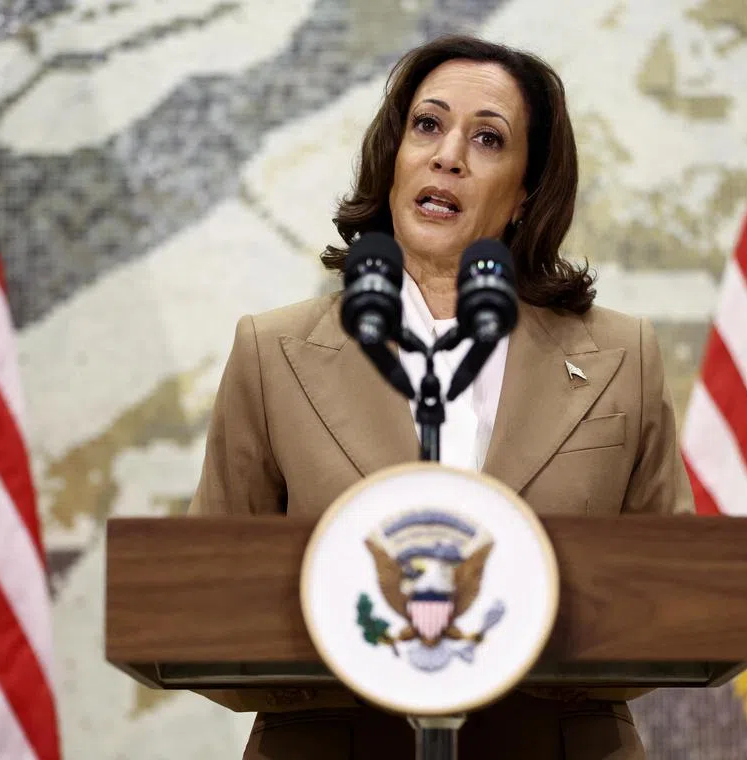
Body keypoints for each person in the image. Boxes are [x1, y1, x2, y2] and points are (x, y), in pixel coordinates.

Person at [187, 33, 695, 760]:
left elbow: (675, 605)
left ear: (525, 190)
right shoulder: (273, 354)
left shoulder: (621, 357)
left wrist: (517, 645)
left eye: (488, 138)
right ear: (394, 158)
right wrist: (364, 656)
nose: (448, 155)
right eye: (427, 126)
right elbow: (206, 607)